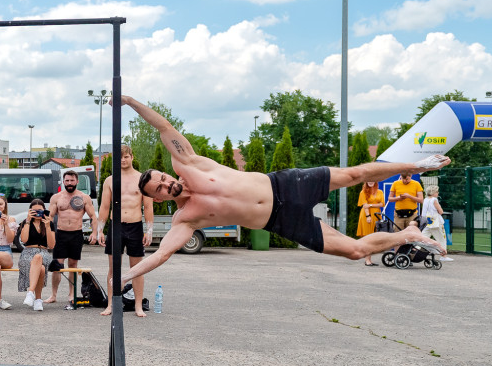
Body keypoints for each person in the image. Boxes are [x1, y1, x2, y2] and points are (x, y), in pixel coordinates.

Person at [114, 95, 450, 286]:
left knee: (355, 174)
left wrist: (129, 101)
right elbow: (161, 255)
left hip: (285, 184)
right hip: (281, 222)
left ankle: (414, 166)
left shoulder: (190, 165)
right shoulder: (185, 221)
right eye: (160, 188)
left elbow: (163, 126)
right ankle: (409, 235)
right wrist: (124, 276)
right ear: (158, 199)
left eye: (162, 176)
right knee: (355, 251)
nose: (166, 183)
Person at [96, 145, 153, 316]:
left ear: (132, 157)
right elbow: (105, 207)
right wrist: (99, 230)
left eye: (126, 156)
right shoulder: (110, 180)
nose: (123, 160)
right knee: (114, 269)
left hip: (135, 226)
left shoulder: (142, 179)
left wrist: (149, 230)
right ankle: (112, 304)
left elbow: (148, 206)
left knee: (137, 268)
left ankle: (137, 305)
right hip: (116, 226)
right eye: (120, 157)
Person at [47, 170, 98, 305]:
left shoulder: (84, 197)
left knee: (73, 265)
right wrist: (48, 234)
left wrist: (94, 233)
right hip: (61, 234)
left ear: (77, 181)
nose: (69, 183)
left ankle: (71, 294)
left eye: (72, 180)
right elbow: (50, 218)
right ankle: (53, 295)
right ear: (63, 182)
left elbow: (93, 216)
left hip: (76, 234)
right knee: (57, 265)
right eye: (67, 181)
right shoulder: (56, 197)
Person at [18, 199, 56, 311]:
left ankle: (30, 293)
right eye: (34, 211)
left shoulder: (49, 224)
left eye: (40, 211)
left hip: (44, 253)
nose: (37, 213)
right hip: (27, 253)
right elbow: (24, 240)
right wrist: (28, 221)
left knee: (38, 257)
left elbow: (51, 245)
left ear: (44, 211)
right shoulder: (26, 222)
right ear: (30, 211)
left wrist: (48, 226)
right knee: (42, 269)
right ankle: (38, 300)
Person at [356, 181, 385, 267]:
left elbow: (382, 204)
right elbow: (365, 206)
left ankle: (369, 259)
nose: (371, 182)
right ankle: (367, 260)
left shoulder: (380, 191)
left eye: (372, 180)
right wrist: (368, 216)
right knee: (368, 237)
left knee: (374, 238)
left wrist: (371, 205)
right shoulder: (363, 192)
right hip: (367, 216)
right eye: (369, 180)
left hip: (377, 215)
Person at [420, 184, 451, 261]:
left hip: (427, 222)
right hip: (436, 223)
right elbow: (440, 211)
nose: (438, 193)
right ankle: (443, 256)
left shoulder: (425, 200)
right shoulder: (434, 200)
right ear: (433, 192)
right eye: (437, 191)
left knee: (422, 238)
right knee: (441, 239)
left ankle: (416, 251)